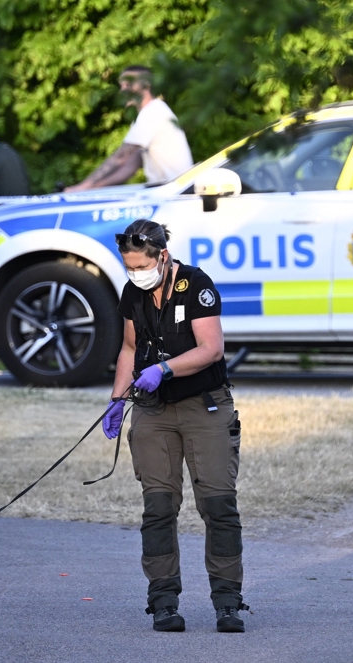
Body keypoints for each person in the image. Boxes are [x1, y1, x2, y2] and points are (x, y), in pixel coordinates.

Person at [102, 219, 246, 633]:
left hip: (205, 406)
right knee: (159, 506)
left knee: (218, 504)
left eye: (141, 266)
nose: (135, 274)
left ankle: (228, 601)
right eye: (129, 267)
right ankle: (163, 601)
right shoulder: (134, 292)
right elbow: (130, 348)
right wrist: (117, 400)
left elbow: (211, 348)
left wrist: (164, 369)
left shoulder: (196, 284)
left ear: (162, 257)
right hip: (154, 410)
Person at [65, 66, 194, 191]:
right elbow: (130, 167)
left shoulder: (153, 113)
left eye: (128, 85)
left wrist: (82, 186)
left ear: (146, 85)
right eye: (122, 86)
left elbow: (120, 157)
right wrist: (93, 187)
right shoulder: (149, 114)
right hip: (170, 192)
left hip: (175, 195)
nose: (123, 91)